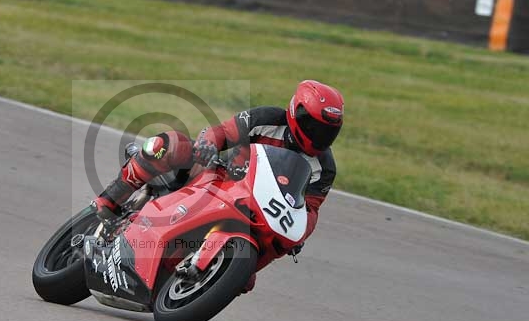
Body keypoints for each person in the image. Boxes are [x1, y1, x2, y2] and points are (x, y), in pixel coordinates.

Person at [92, 79, 344, 257]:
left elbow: (310, 209)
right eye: (313, 125)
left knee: (256, 268)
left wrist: (300, 234)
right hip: (220, 177)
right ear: (295, 111)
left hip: (254, 210)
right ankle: (111, 199)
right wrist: (208, 145)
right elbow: (223, 131)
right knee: (169, 144)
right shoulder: (266, 119)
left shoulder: (324, 168)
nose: (319, 135)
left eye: (328, 131)